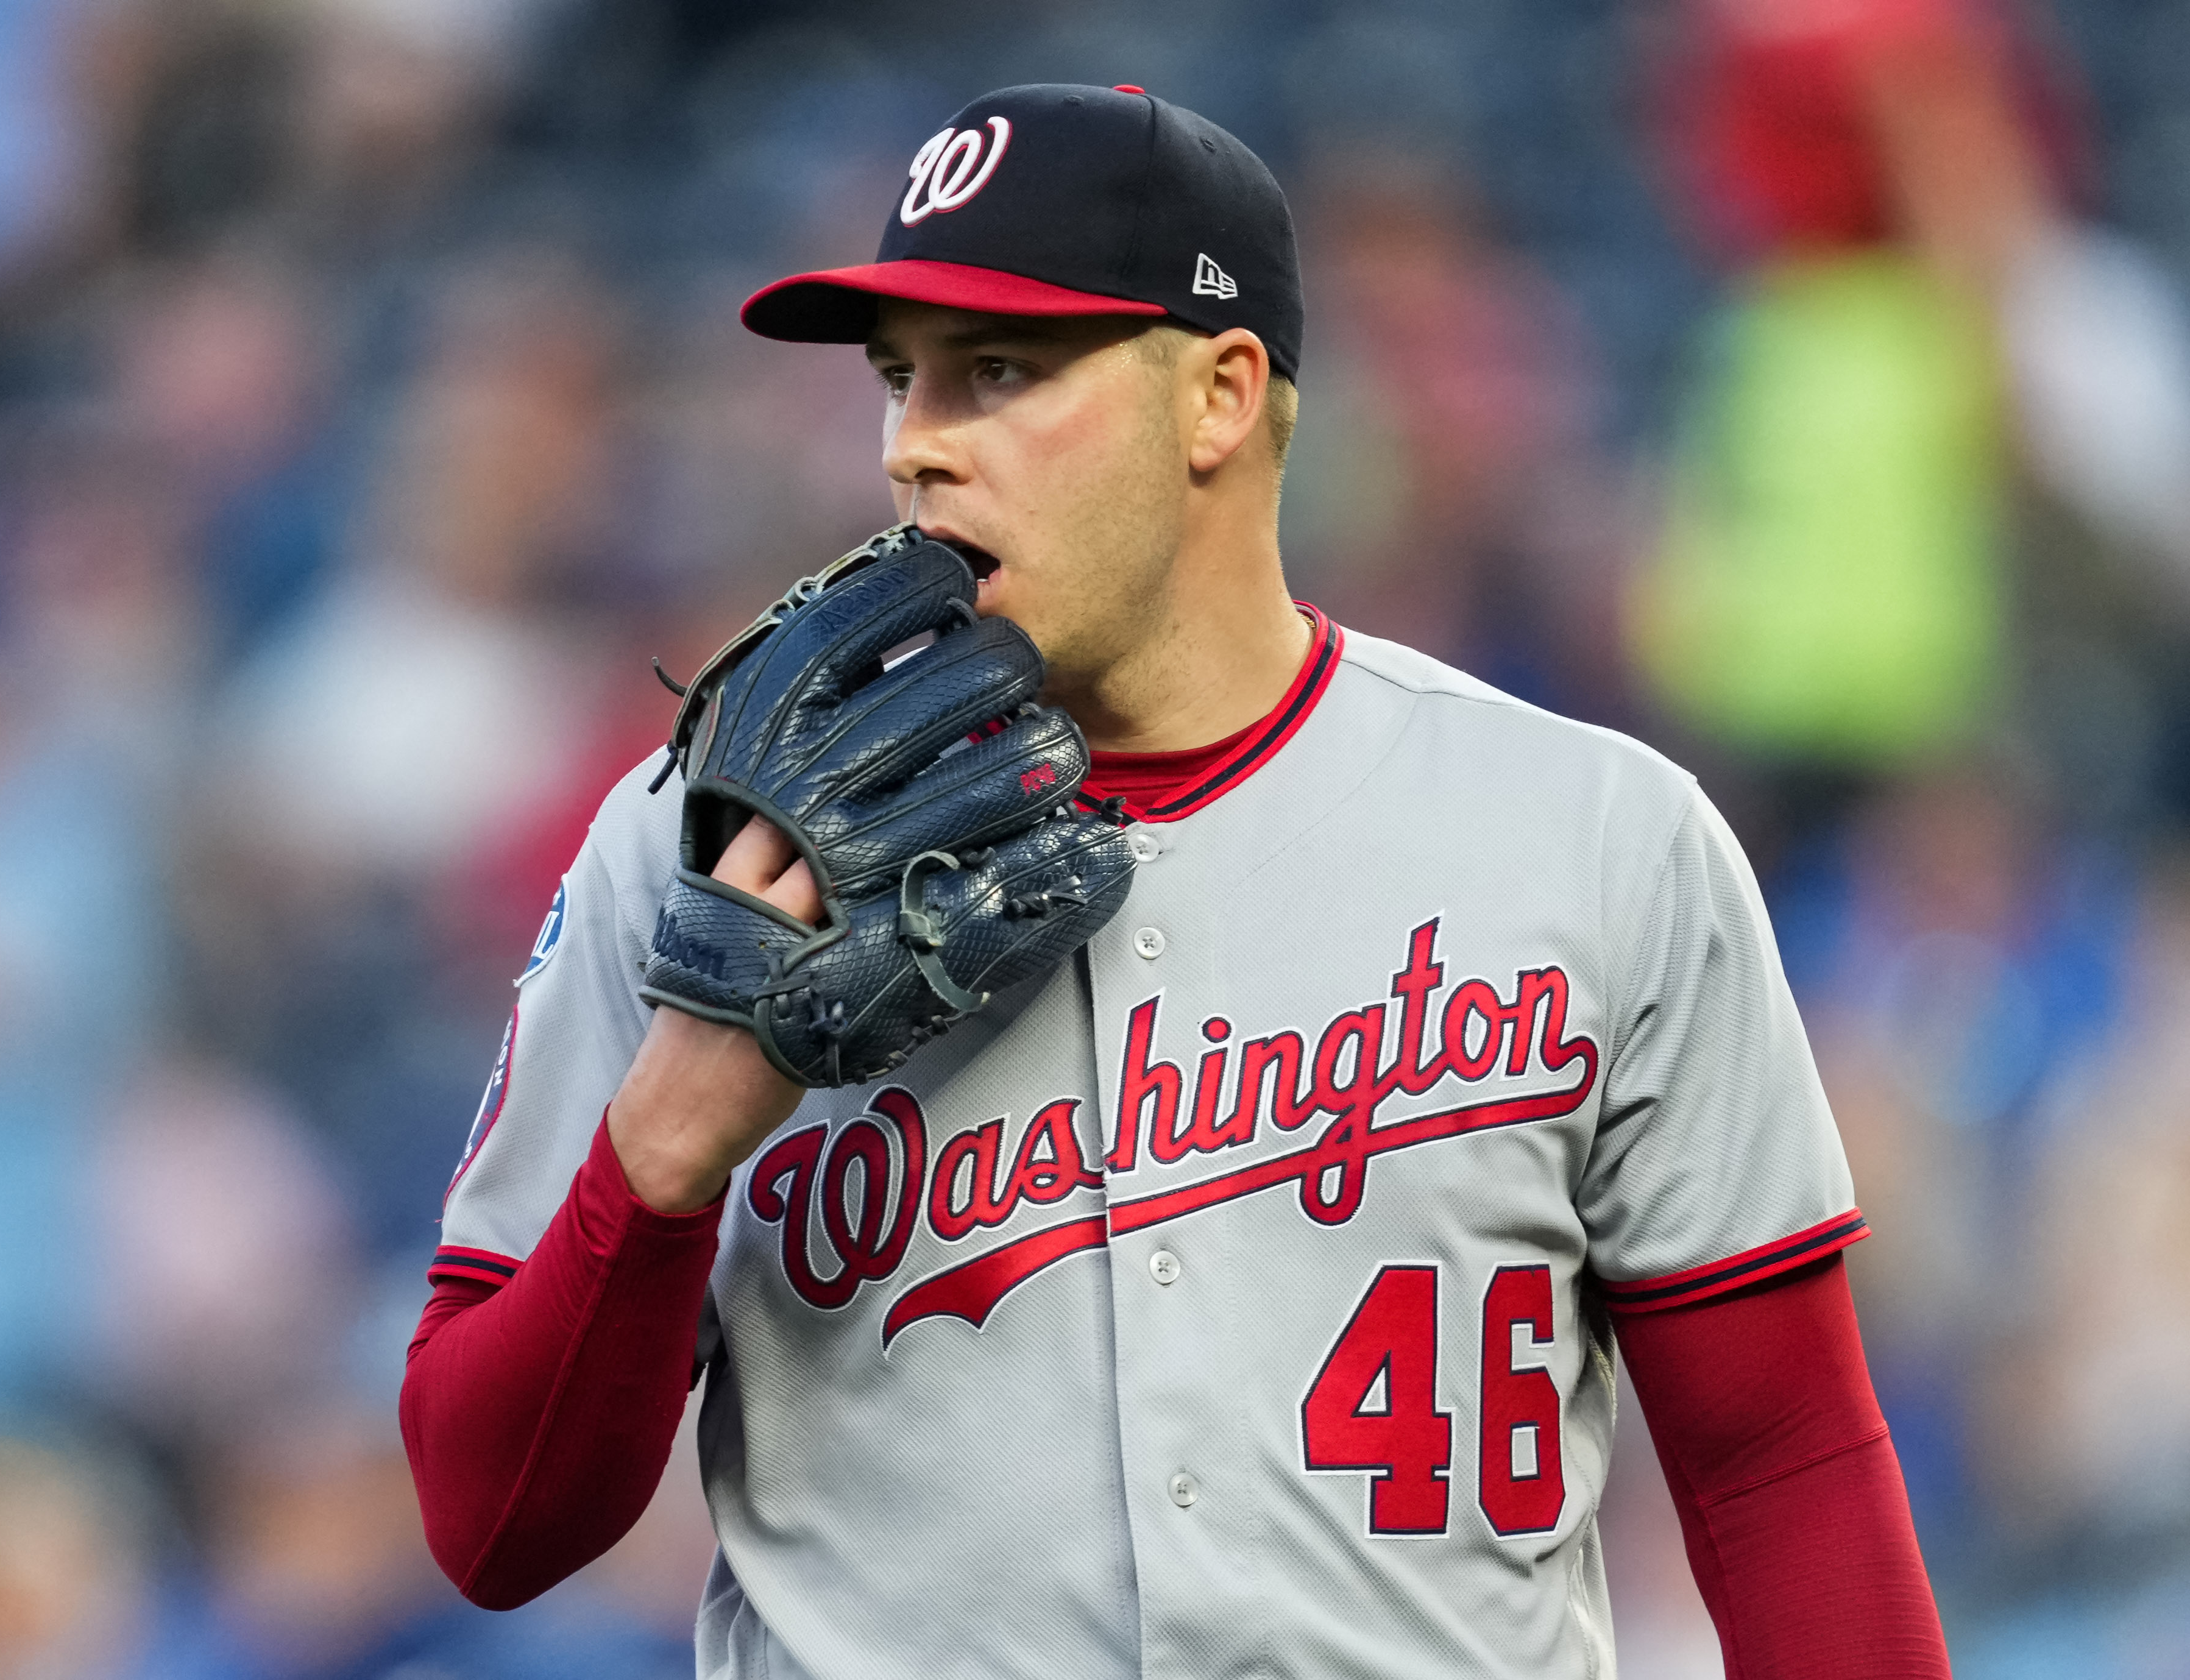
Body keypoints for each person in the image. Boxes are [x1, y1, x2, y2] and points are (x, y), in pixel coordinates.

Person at [402, 83, 1950, 1679]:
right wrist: (665, 1148)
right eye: (900, 379)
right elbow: (491, 1524)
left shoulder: (1593, 837)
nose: (917, 443)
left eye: (996, 371)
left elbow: (1784, 1468)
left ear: (1216, 398)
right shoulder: (699, 850)